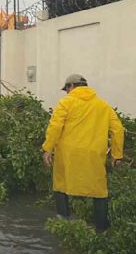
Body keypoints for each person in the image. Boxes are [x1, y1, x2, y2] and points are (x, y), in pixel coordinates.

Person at [42, 74, 124, 231]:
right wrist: (116, 155)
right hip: (94, 155)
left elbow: (55, 127)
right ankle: (101, 228)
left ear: (71, 86)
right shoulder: (103, 105)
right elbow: (118, 130)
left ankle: (64, 221)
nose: (66, 92)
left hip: (68, 154)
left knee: (61, 184)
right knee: (99, 190)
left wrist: (47, 148)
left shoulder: (65, 103)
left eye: (66, 89)